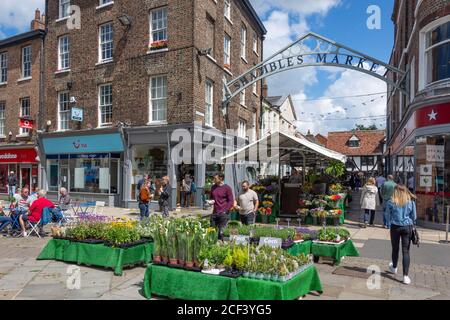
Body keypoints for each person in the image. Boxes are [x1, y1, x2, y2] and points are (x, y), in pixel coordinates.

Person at [386, 185, 417, 285]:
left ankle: (394, 267)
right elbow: (414, 216)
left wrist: (389, 222)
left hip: (395, 226)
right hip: (407, 226)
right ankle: (405, 276)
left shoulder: (391, 201)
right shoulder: (410, 201)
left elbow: (387, 215)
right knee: (406, 251)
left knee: (395, 248)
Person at [209, 173, 234, 239]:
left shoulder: (227, 188)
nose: (213, 180)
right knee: (211, 231)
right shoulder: (213, 187)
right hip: (214, 213)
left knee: (221, 232)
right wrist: (210, 202)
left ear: (221, 178)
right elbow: (212, 198)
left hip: (223, 213)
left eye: (215, 178)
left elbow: (231, 201)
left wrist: (225, 211)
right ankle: (212, 245)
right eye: (213, 178)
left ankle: (221, 245)